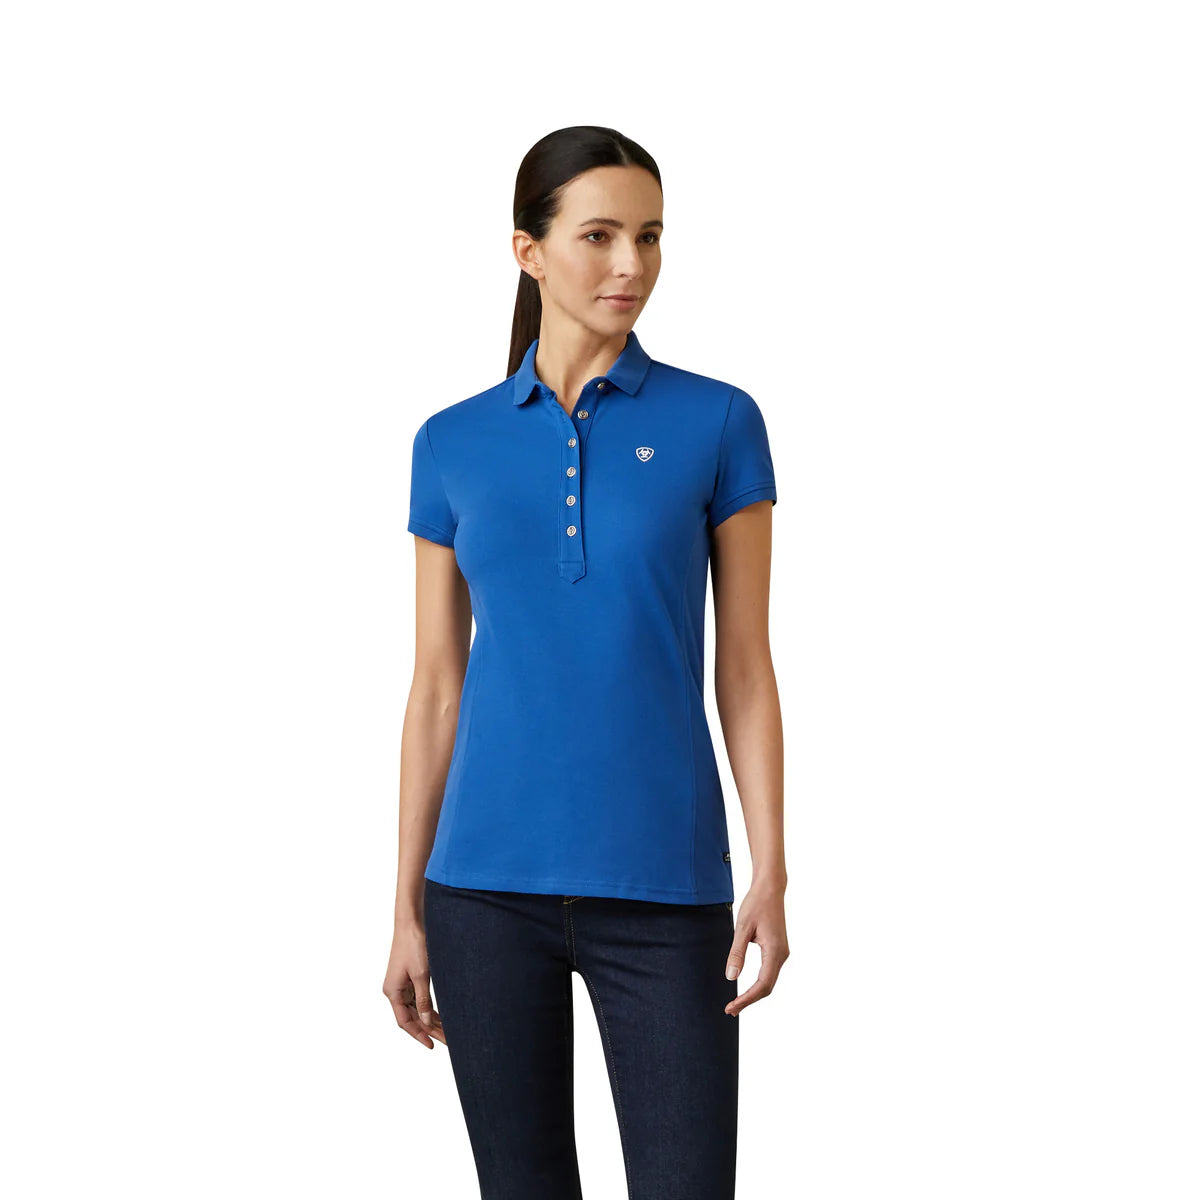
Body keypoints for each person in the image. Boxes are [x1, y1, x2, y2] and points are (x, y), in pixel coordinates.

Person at [382, 125, 789, 1200]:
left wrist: (771, 866)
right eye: (600, 236)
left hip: (664, 886)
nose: (631, 264)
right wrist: (406, 906)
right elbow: (436, 686)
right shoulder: (450, 442)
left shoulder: (719, 421)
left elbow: (745, 667)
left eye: (649, 237)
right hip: (481, 892)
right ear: (529, 251)